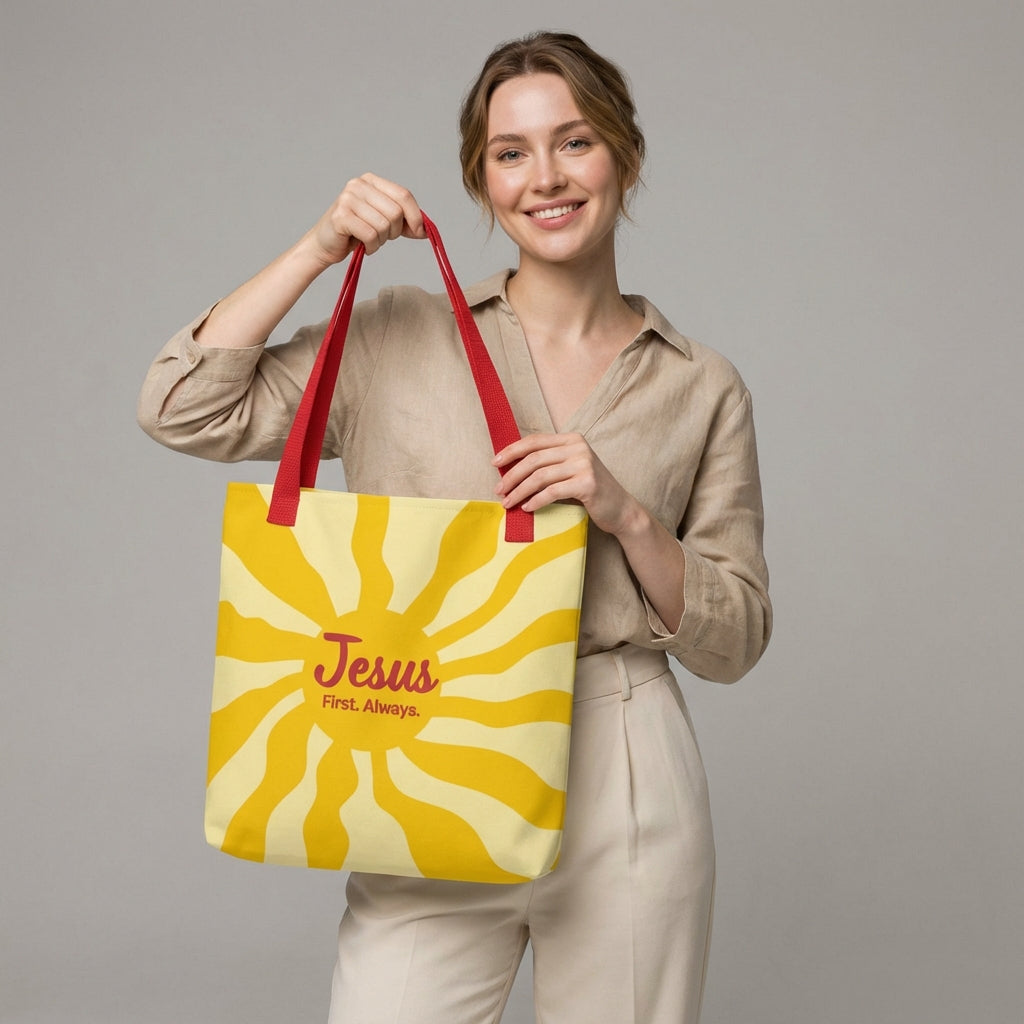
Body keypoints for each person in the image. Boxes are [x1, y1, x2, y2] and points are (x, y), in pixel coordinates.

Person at [138, 30, 771, 1024]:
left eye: (575, 142)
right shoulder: (397, 332)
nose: (545, 177)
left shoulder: (700, 384)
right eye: (510, 152)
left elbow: (734, 637)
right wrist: (317, 249)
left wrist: (625, 512)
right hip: (426, 740)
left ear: (624, 154)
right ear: (480, 179)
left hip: (624, 766)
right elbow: (181, 406)